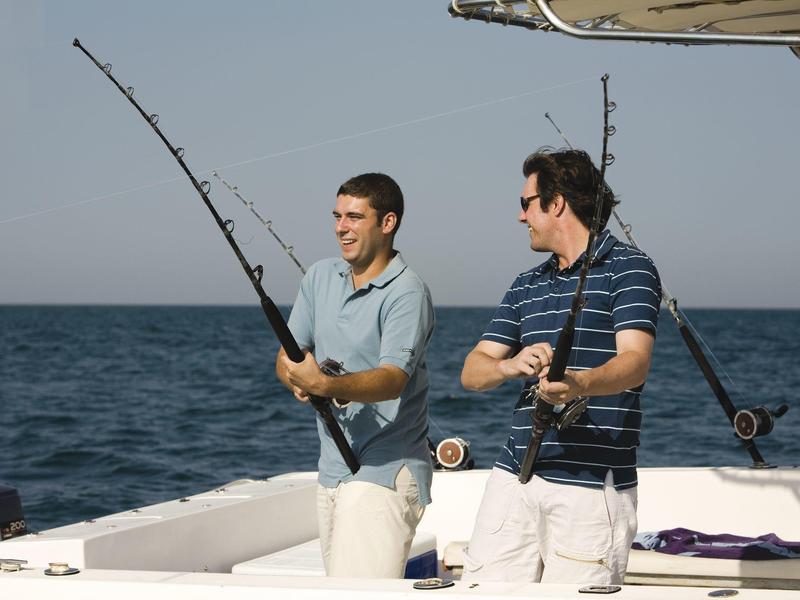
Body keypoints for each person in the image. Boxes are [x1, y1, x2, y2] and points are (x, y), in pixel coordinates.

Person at [460, 148, 661, 584]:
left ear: (555, 204)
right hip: (513, 477)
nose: (520, 217)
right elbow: (472, 371)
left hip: (591, 487)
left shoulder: (630, 268)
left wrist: (577, 383)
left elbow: (635, 362)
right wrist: (510, 365)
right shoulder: (525, 284)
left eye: (525, 203)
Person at [276, 172, 434, 578]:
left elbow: (392, 378)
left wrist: (324, 384)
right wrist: (298, 380)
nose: (340, 228)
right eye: (337, 216)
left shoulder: (407, 292)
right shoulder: (318, 277)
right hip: (331, 468)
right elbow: (288, 356)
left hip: (386, 470)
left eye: (354, 217)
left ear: (387, 223)